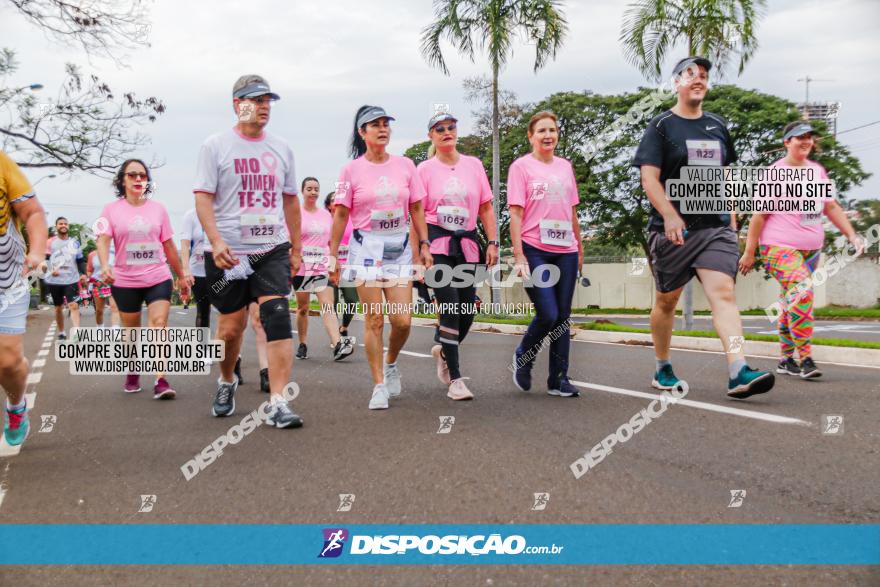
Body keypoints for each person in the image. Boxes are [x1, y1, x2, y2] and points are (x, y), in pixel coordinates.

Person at [633, 56, 774, 399]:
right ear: (677, 83)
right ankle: (662, 365)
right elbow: (649, 178)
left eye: (704, 75)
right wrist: (668, 214)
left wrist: (733, 218)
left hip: (715, 228)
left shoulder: (717, 125)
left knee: (724, 296)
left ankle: (738, 367)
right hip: (674, 231)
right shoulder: (661, 125)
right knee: (666, 301)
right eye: (690, 74)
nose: (698, 79)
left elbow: (724, 175)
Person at [193, 74, 303, 427]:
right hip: (230, 252)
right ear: (236, 104)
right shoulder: (215, 146)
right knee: (230, 329)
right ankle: (227, 380)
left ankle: (278, 402)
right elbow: (203, 198)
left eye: (268, 100)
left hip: (271, 247)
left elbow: (290, 201)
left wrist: (296, 247)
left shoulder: (282, 148)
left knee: (277, 317)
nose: (263, 107)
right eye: (256, 100)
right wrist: (215, 240)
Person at [739, 121, 863, 379]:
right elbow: (759, 216)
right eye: (799, 137)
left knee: (791, 299)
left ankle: (786, 359)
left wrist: (851, 235)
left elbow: (831, 207)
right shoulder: (774, 174)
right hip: (778, 247)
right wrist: (749, 252)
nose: (806, 141)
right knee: (802, 292)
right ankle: (805, 357)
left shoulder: (817, 171)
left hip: (811, 250)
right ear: (787, 142)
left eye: (809, 137)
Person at [329, 105, 431, 410]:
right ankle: (377, 385)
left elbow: (416, 208)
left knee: (402, 320)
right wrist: (332, 255)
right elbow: (341, 214)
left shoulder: (406, 166)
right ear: (363, 132)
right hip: (366, 249)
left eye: (386, 123)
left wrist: (424, 244)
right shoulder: (350, 171)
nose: (383, 128)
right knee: (374, 320)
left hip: (398, 248)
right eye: (375, 124)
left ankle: (390, 363)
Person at [418, 111, 499, 400]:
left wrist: (492, 242)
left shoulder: (473, 165)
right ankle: (455, 379)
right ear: (431, 135)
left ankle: (443, 347)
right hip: (437, 244)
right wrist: (420, 252)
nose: (446, 132)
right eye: (439, 128)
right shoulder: (424, 170)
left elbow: (486, 208)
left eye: (451, 127)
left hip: (468, 245)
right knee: (450, 308)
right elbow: (416, 213)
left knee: (467, 310)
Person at [97, 159, 192, 399]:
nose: (138, 179)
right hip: (125, 280)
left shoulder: (158, 209)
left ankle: (161, 379)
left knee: (159, 323)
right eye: (132, 175)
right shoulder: (111, 210)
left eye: (142, 175)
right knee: (132, 331)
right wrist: (106, 265)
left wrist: (181, 277)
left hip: (157, 276)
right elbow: (104, 240)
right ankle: (132, 369)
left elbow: (168, 244)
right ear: (122, 180)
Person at [508, 111, 583, 398]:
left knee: (563, 317)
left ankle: (559, 379)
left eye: (552, 130)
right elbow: (515, 213)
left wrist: (579, 247)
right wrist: (519, 255)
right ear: (531, 136)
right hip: (534, 248)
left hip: (566, 249)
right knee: (548, 313)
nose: (548, 135)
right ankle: (523, 355)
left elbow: (573, 210)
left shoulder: (565, 167)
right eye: (541, 131)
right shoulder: (521, 167)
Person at [0, 150, 48, 446]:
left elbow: (32, 212)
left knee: (6, 362)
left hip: (8, 277)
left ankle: (16, 406)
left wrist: (37, 251)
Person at [180, 208, 246, 385]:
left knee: (228, 312)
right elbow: (185, 245)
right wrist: (185, 270)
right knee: (203, 311)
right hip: (199, 272)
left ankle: (233, 354)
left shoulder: (226, 211)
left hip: (222, 269)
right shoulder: (191, 216)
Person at [293, 177, 353, 361]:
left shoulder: (326, 215)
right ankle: (303, 343)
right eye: (309, 189)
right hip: (302, 268)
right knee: (303, 308)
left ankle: (337, 344)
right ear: (303, 191)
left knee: (327, 306)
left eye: (316, 189)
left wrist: (334, 262)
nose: (313, 192)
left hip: (321, 267)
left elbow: (330, 241)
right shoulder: (296, 213)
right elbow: (291, 240)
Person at [324, 192, 359, 347]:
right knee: (333, 302)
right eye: (333, 201)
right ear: (328, 205)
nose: (337, 203)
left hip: (349, 266)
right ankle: (335, 337)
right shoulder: (324, 221)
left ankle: (343, 327)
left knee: (352, 300)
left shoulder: (350, 218)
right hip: (329, 266)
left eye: (338, 200)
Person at [44, 217, 87, 339]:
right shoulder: (50, 242)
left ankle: (76, 334)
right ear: (56, 226)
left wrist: (83, 273)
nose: (63, 225)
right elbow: (45, 259)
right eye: (60, 223)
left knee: (73, 305)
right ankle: (62, 332)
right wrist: (52, 269)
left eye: (65, 223)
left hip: (71, 279)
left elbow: (80, 260)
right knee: (58, 308)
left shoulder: (74, 242)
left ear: (68, 226)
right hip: (54, 281)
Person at [86, 246, 120, 328]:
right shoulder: (92, 255)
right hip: (98, 283)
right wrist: (92, 280)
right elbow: (89, 270)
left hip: (113, 283)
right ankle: (100, 327)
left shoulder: (115, 252)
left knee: (114, 307)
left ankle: (116, 329)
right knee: (99, 310)